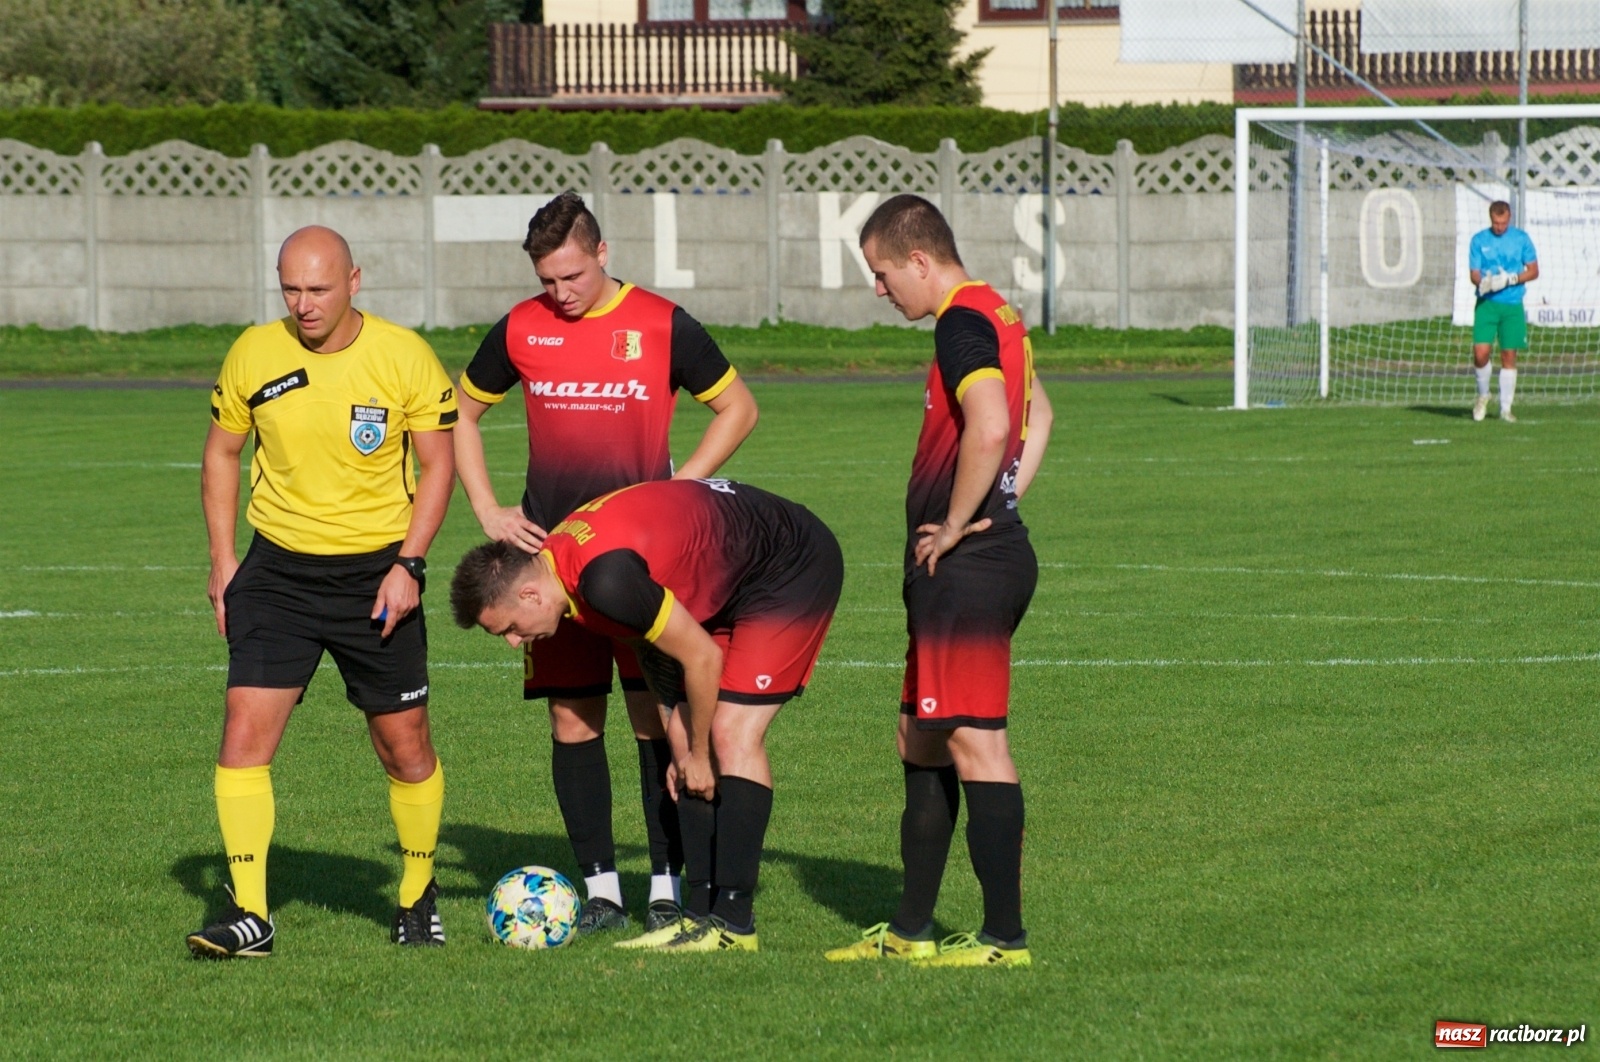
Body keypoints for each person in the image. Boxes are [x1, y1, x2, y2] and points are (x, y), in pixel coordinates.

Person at [453, 191, 758, 935]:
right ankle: (601, 892)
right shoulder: (523, 328)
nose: (558, 294)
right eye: (546, 279)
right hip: (544, 574)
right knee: (571, 720)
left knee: (657, 720)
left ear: (602, 254)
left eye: (571, 277)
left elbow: (740, 409)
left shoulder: (659, 323)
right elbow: (457, 411)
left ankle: (661, 881)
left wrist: (682, 488)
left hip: (636, 567)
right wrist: (489, 509)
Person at [188, 226, 458, 958]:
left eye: (319, 288)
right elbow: (221, 453)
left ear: (354, 281)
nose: (303, 305)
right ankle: (251, 915)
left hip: (378, 575)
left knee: (404, 747)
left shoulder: (404, 356)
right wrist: (224, 563)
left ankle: (415, 894)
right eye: (291, 289)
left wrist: (412, 564)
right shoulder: (253, 352)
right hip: (277, 573)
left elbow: (439, 466)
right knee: (243, 734)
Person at [450, 477, 843, 953]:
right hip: (734, 569)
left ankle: (736, 925)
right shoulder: (563, 568)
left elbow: (702, 659)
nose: (515, 642)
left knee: (731, 734)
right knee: (679, 732)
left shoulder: (603, 580)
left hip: (787, 560)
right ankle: (697, 917)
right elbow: (655, 647)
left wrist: (699, 754)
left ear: (530, 595)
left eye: (509, 628)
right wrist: (682, 744)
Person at [825, 194, 1053, 968]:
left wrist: (961, 522)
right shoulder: (999, 314)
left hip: (967, 569)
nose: (881, 290)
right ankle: (911, 932)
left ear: (919, 260)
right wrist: (1007, 498)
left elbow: (994, 424)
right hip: (973, 562)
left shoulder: (961, 322)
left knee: (975, 743)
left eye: (883, 273)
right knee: (920, 739)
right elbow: (1040, 414)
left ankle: (1003, 940)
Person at [1469, 200, 1539, 423]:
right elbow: (1474, 274)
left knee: (1509, 355)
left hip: (1512, 305)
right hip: (1487, 305)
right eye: (1496, 223)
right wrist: (1485, 283)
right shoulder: (1479, 240)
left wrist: (1511, 279)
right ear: (1491, 219)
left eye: (1503, 223)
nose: (1500, 227)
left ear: (1509, 219)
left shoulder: (1521, 239)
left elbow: (1534, 271)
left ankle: (1505, 409)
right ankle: (1483, 395)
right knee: (1480, 353)